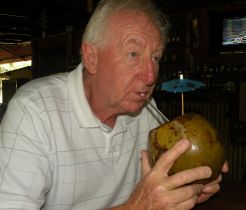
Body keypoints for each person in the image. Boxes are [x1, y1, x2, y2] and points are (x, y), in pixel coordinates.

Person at [0, 0, 228, 209]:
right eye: (133, 54)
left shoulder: (147, 113)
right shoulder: (34, 110)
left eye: (156, 58)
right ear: (91, 58)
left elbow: (159, 189)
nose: (150, 76)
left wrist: (186, 188)